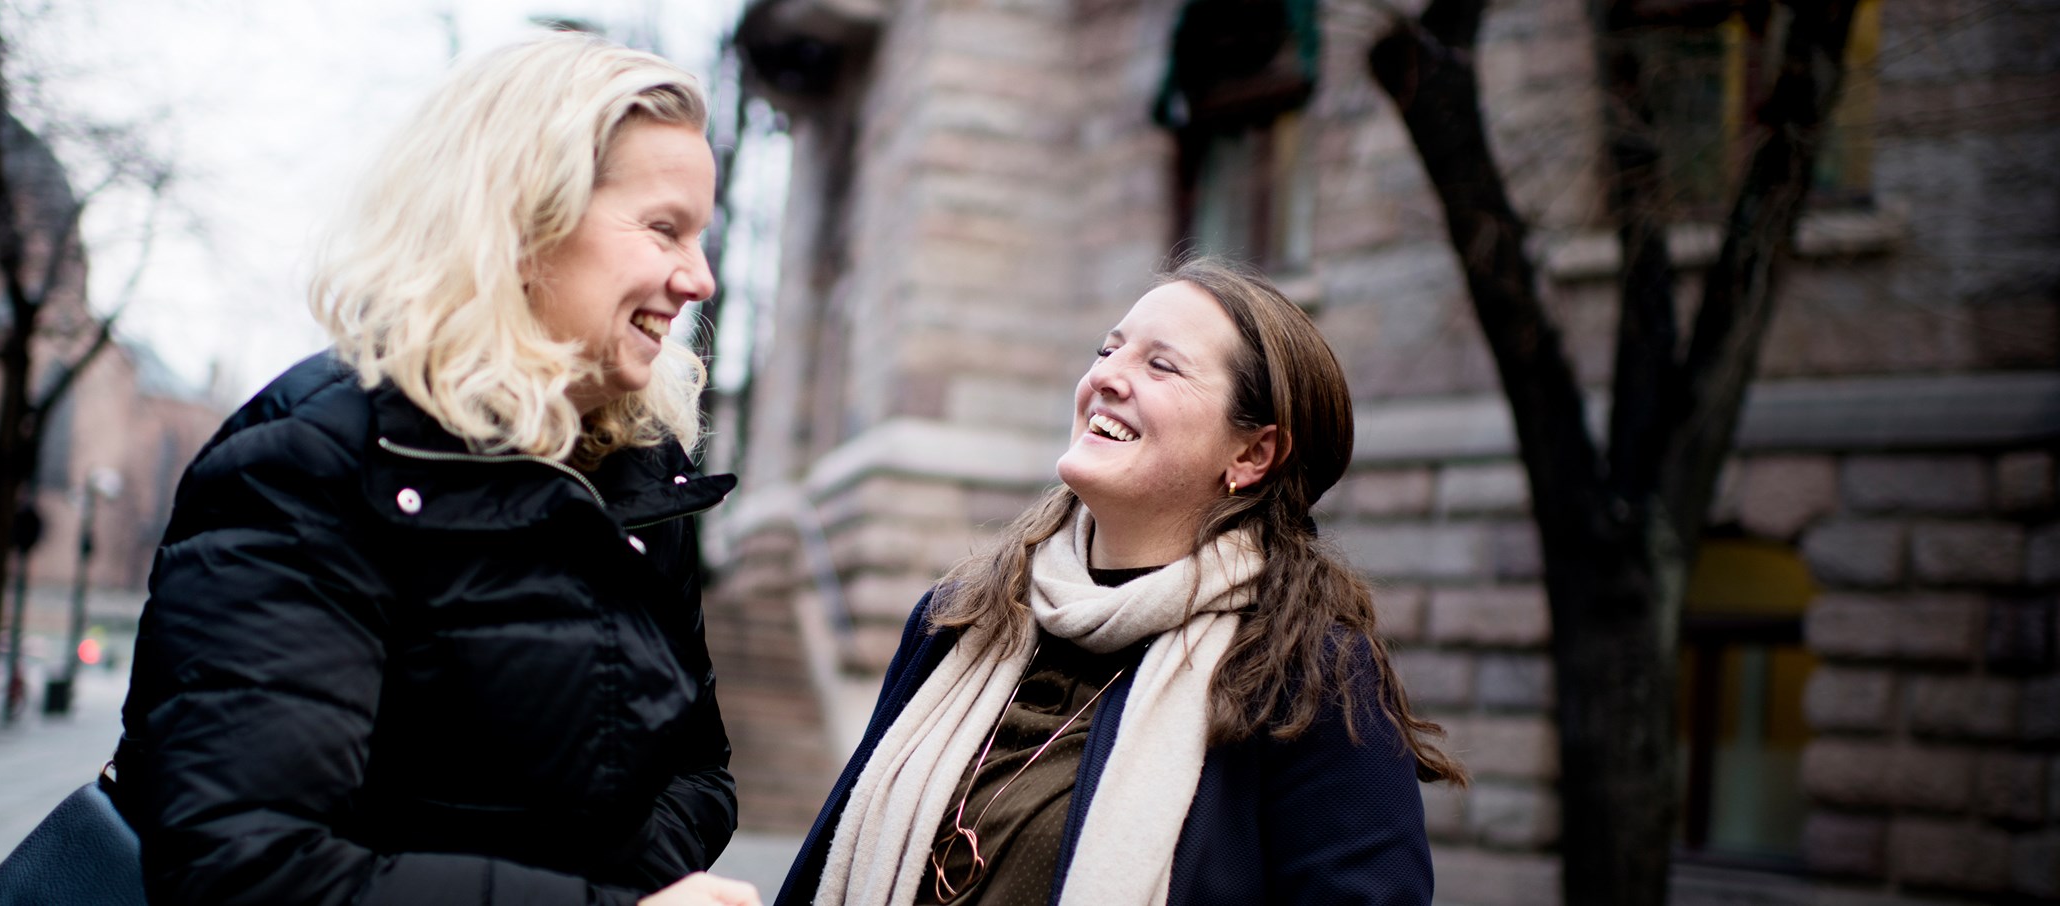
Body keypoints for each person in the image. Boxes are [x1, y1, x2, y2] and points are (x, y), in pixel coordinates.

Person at [115, 34, 757, 906]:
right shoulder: (311, 465)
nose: (701, 279)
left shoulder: (643, 482)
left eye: (701, 237)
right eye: (662, 229)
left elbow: (698, 771)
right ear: (526, 223)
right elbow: (247, 870)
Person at [774, 257, 1467, 905]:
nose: (1106, 376)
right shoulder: (963, 618)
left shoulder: (1307, 675)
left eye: (1161, 365)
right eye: (1108, 351)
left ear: (1253, 452)